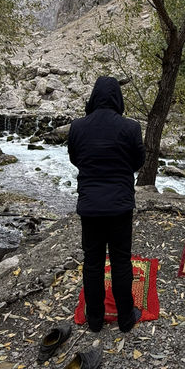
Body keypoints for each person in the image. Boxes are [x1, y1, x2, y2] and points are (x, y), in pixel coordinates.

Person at [68, 76, 146, 333]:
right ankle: (125, 318)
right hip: (120, 206)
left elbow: (75, 158)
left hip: (90, 206)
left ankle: (94, 320)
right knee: (121, 261)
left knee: (93, 262)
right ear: (117, 99)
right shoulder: (131, 127)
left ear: (93, 97)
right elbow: (138, 161)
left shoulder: (78, 126)